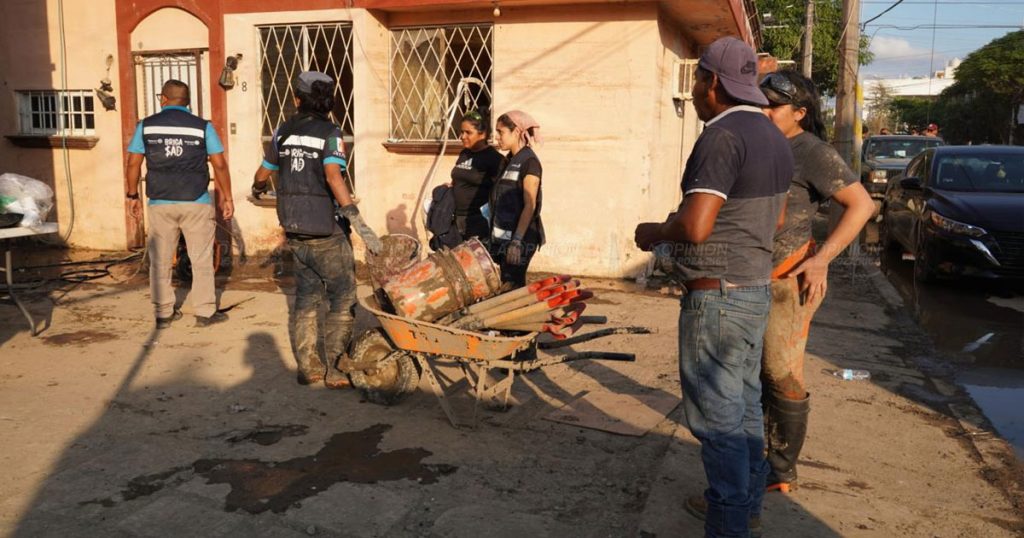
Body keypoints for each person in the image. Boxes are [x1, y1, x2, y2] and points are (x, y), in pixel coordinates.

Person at [634, 37, 792, 538]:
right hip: (753, 289)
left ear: (714, 84)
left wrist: (655, 231)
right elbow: (780, 216)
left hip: (719, 297)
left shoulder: (721, 136)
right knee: (744, 411)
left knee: (717, 424)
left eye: (700, 79)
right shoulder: (772, 136)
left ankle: (727, 525)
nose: (698, 88)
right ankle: (745, 511)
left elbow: (697, 226)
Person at [759, 70, 874, 494]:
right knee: (756, 372)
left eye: (773, 106)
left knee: (780, 371)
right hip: (753, 278)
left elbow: (861, 206)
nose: (764, 111)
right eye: (761, 103)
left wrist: (823, 259)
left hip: (788, 278)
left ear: (800, 113)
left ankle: (780, 471)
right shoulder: (765, 145)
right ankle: (760, 458)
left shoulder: (810, 150)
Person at [251, 71, 382, 387]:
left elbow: (263, 172)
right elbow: (333, 176)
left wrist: (257, 188)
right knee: (341, 297)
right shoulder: (330, 133)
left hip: (295, 230)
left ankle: (308, 367)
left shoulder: (282, 131)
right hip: (326, 230)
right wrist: (358, 221)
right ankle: (335, 369)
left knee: (306, 298)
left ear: (298, 99)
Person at [125, 79, 232, 329]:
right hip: (196, 201)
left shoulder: (146, 126)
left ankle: (163, 313)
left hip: (160, 202)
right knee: (201, 258)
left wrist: (132, 196)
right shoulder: (202, 126)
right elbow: (219, 164)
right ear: (188, 102)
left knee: (160, 259)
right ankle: (205, 313)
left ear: (163, 99)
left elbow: (133, 163)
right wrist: (226, 197)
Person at [490, 110, 545, 287]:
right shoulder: (508, 161)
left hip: (520, 239)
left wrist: (516, 241)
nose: (497, 137)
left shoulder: (530, 162)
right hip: (504, 237)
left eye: (501, 132)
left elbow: (530, 205)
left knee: (512, 288)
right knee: (507, 286)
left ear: (516, 132)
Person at [451, 110, 504, 242]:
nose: (462, 136)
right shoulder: (464, 153)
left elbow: (500, 191)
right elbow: (458, 178)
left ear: (483, 134)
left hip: (477, 221)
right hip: (456, 218)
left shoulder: (494, 159)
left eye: (468, 132)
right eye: (461, 132)